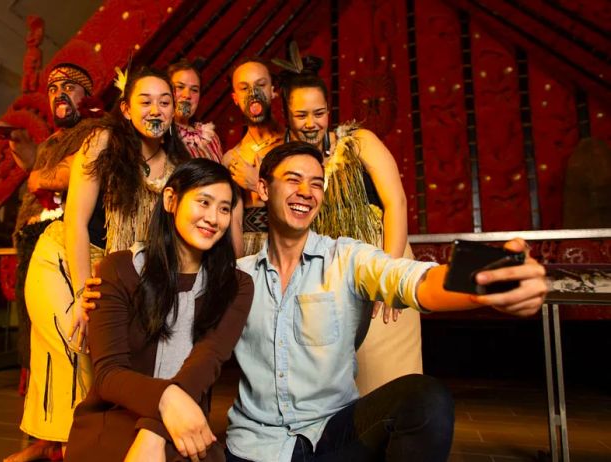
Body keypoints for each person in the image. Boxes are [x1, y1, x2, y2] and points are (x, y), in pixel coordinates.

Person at [225, 142, 547, 462]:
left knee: (425, 398)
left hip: (332, 437)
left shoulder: (347, 257)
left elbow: (416, 281)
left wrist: (488, 282)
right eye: (293, 180)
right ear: (264, 189)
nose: (307, 191)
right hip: (254, 447)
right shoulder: (238, 277)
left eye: (316, 184)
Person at [14, 66, 190, 461]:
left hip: (114, 272)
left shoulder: (178, 169)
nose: (156, 110)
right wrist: (81, 293)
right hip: (62, 256)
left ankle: (65, 446)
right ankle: (65, 446)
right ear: (126, 110)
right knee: (71, 335)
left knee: (104, 361)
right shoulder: (102, 143)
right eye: (145, 102)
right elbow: (76, 221)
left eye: (165, 102)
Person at [65, 159, 253, 462]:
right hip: (113, 419)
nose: (213, 218)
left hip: (185, 425)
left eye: (224, 208)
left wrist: (155, 431)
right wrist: (166, 400)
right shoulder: (118, 269)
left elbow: (208, 359)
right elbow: (109, 375)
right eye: (203, 202)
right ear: (170, 200)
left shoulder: (236, 285)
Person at [276, 54, 420, 392]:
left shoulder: (361, 143)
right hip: (323, 278)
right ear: (286, 115)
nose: (311, 123)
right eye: (301, 115)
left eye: (319, 112)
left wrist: (391, 274)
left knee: (387, 374)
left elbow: (395, 203)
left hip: (381, 261)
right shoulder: (283, 160)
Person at [4, 61, 103, 462]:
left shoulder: (97, 133)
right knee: (38, 344)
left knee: (71, 335)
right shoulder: (50, 143)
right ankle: (46, 439)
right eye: (53, 89)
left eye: (70, 87)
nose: (59, 93)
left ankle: (75, 435)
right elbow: (41, 175)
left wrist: (40, 175)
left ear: (87, 96)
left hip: (70, 244)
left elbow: (71, 178)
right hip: (33, 244)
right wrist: (27, 161)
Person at [222, 58, 285, 255]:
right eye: (244, 88)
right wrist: (240, 271)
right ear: (235, 98)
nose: (253, 94)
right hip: (250, 253)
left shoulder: (292, 146)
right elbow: (234, 223)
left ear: (273, 90)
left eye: (260, 85)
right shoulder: (232, 158)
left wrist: (257, 183)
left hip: (287, 247)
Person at [168, 60, 224, 162]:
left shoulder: (211, 137)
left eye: (194, 90)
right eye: (180, 87)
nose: (187, 95)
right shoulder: (161, 137)